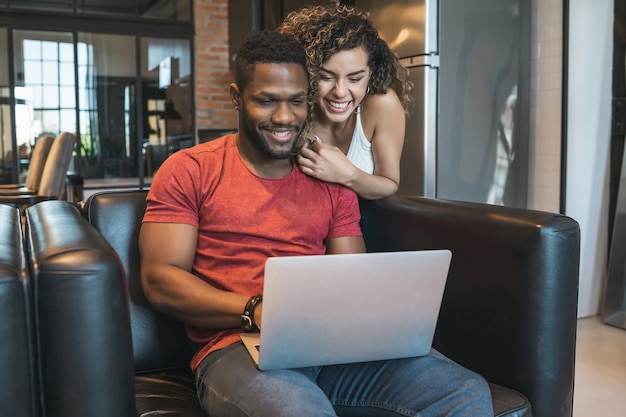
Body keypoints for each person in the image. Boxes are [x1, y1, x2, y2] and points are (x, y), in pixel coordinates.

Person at [139, 30, 493, 417]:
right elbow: (161, 279)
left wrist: (388, 317)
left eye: (295, 101)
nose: (284, 117)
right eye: (266, 101)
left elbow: (352, 275)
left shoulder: (329, 178)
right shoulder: (190, 170)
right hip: (237, 349)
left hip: (333, 347)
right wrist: (257, 308)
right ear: (236, 98)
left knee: (464, 392)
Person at [278, 1, 413, 200]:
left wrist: (347, 174)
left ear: (370, 74)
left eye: (355, 79)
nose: (340, 92)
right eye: (326, 77)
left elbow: (389, 183)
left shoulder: (382, 105)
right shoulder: (291, 109)